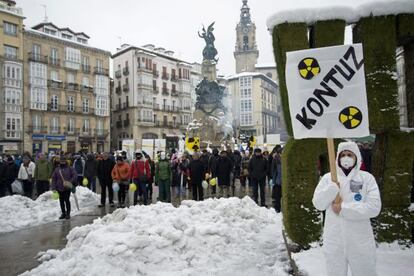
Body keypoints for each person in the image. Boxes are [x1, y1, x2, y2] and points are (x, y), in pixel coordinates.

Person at [312, 141, 381, 276]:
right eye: (343, 155)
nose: (346, 157)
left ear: (357, 157)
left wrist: (344, 209)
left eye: (350, 154)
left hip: (360, 241)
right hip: (334, 239)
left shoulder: (367, 179)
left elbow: (374, 208)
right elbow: (318, 204)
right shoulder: (328, 178)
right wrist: (331, 190)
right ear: (337, 157)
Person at [271, 145, 283, 212]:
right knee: (277, 196)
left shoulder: (286, 159)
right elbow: (273, 170)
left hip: (284, 181)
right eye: (281, 153)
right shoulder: (275, 159)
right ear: (278, 153)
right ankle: (277, 209)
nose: (282, 154)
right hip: (277, 181)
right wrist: (273, 179)